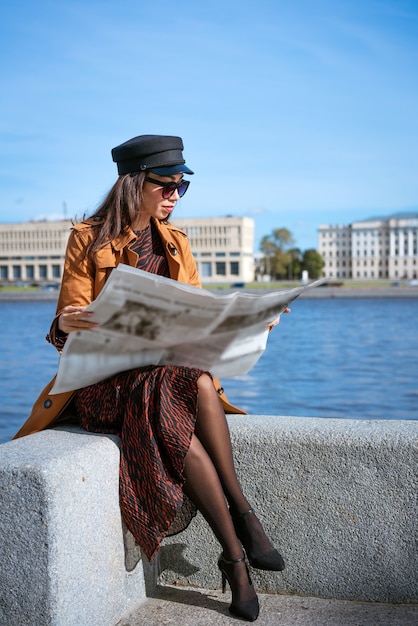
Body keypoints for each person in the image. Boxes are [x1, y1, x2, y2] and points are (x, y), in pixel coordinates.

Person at [14, 135, 285, 622]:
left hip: (164, 378)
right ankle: (241, 532)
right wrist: (68, 323)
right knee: (180, 385)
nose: (175, 195)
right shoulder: (87, 237)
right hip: (102, 385)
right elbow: (63, 328)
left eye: (182, 186)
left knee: (195, 381)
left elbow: (200, 315)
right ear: (134, 183)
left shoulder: (177, 242)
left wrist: (246, 321)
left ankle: (236, 552)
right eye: (166, 186)